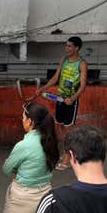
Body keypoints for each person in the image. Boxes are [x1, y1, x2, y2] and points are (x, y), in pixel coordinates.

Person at [39, 36, 88, 170]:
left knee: (69, 131)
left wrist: (73, 98)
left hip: (71, 102)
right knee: (60, 127)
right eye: (66, 46)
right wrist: (44, 88)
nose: (66, 48)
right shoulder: (64, 60)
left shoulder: (82, 64)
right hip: (60, 99)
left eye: (69, 46)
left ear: (77, 48)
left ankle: (67, 159)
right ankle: (68, 153)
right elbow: (56, 77)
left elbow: (83, 85)